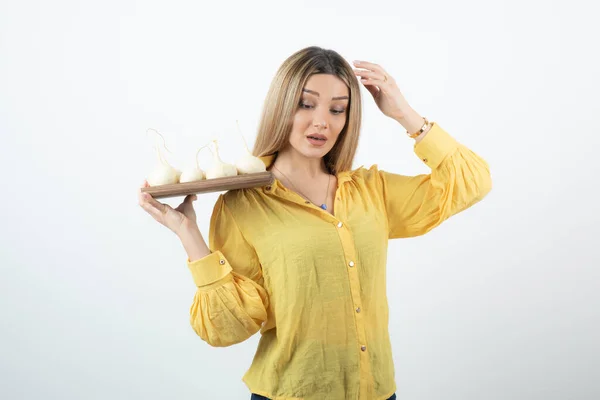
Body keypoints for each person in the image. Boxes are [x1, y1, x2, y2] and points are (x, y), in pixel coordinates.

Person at [138, 46, 492, 400]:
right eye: (306, 104)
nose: (322, 121)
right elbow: (226, 329)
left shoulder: (372, 191)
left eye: (338, 109)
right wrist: (189, 234)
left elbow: (472, 182)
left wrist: (405, 114)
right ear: (282, 107)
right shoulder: (244, 204)